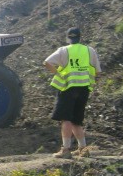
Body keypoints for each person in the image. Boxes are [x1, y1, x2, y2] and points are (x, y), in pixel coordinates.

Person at [43, 27, 102, 159]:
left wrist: (58, 73)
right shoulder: (89, 50)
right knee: (77, 120)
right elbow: (97, 71)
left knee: (66, 119)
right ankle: (83, 149)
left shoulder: (63, 50)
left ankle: (66, 149)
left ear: (68, 38)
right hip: (84, 89)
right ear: (80, 37)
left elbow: (46, 62)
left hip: (67, 88)